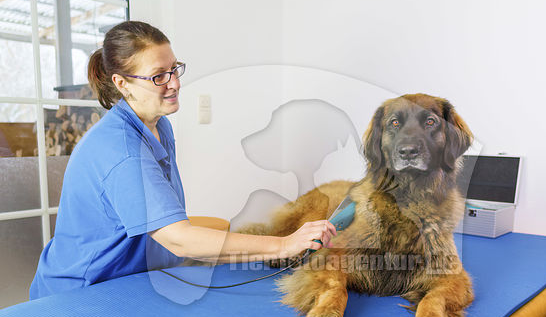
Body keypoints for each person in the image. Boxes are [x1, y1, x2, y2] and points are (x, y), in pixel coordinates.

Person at [29, 21, 336, 300]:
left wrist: (283, 246)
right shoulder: (120, 150)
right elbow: (179, 239)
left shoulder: (158, 123)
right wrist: (283, 244)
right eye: (159, 76)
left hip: (130, 281)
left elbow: (170, 233)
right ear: (122, 83)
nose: (174, 83)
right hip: (78, 294)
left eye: (175, 69)